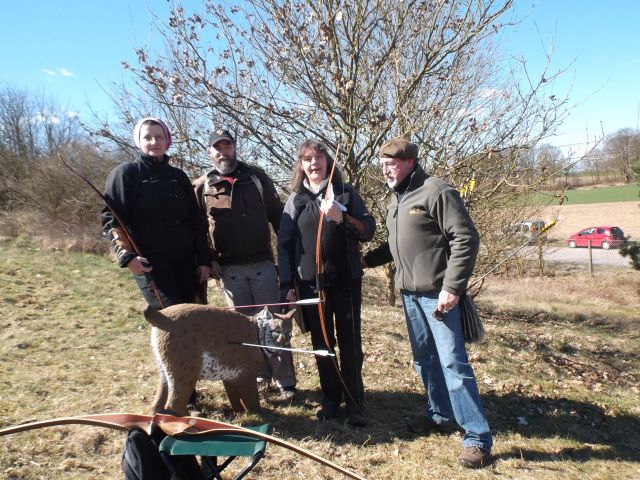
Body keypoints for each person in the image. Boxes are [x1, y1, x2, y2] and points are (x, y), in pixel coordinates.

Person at [363, 137, 492, 468]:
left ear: (409, 162)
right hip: (409, 296)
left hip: (439, 295)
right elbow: (396, 246)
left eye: (391, 164)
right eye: (382, 164)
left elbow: (466, 237)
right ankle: (440, 416)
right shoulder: (397, 199)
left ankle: (477, 437)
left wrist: (453, 287)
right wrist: (363, 261)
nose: (385, 170)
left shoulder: (435, 191)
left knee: (453, 363)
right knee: (425, 360)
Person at [193, 129, 297, 400]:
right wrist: (209, 259)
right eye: (217, 147)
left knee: (272, 325)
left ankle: (286, 383)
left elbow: (278, 215)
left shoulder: (256, 176)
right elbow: (197, 229)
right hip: (228, 271)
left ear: (235, 148)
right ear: (209, 152)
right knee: (244, 329)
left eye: (227, 146)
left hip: (262, 265)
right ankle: (260, 378)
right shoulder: (203, 185)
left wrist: (288, 257)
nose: (223, 151)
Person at [277, 139, 375, 426]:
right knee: (323, 343)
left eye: (319, 157)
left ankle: (355, 401)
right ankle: (331, 398)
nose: (313, 163)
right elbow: (284, 246)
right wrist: (287, 283)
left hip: (346, 281)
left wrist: (341, 216)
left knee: (349, 341)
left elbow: (368, 229)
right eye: (307, 158)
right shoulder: (295, 200)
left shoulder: (346, 193)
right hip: (311, 285)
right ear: (301, 165)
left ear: (328, 161)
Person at [101, 117, 211, 310]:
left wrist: (203, 260)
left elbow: (196, 220)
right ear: (139, 141)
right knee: (171, 317)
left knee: (195, 313)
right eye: (148, 138)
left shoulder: (178, 176)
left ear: (167, 140)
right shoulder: (125, 174)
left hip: (187, 262)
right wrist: (127, 257)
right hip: (152, 265)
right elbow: (111, 219)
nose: (154, 142)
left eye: (159, 137)